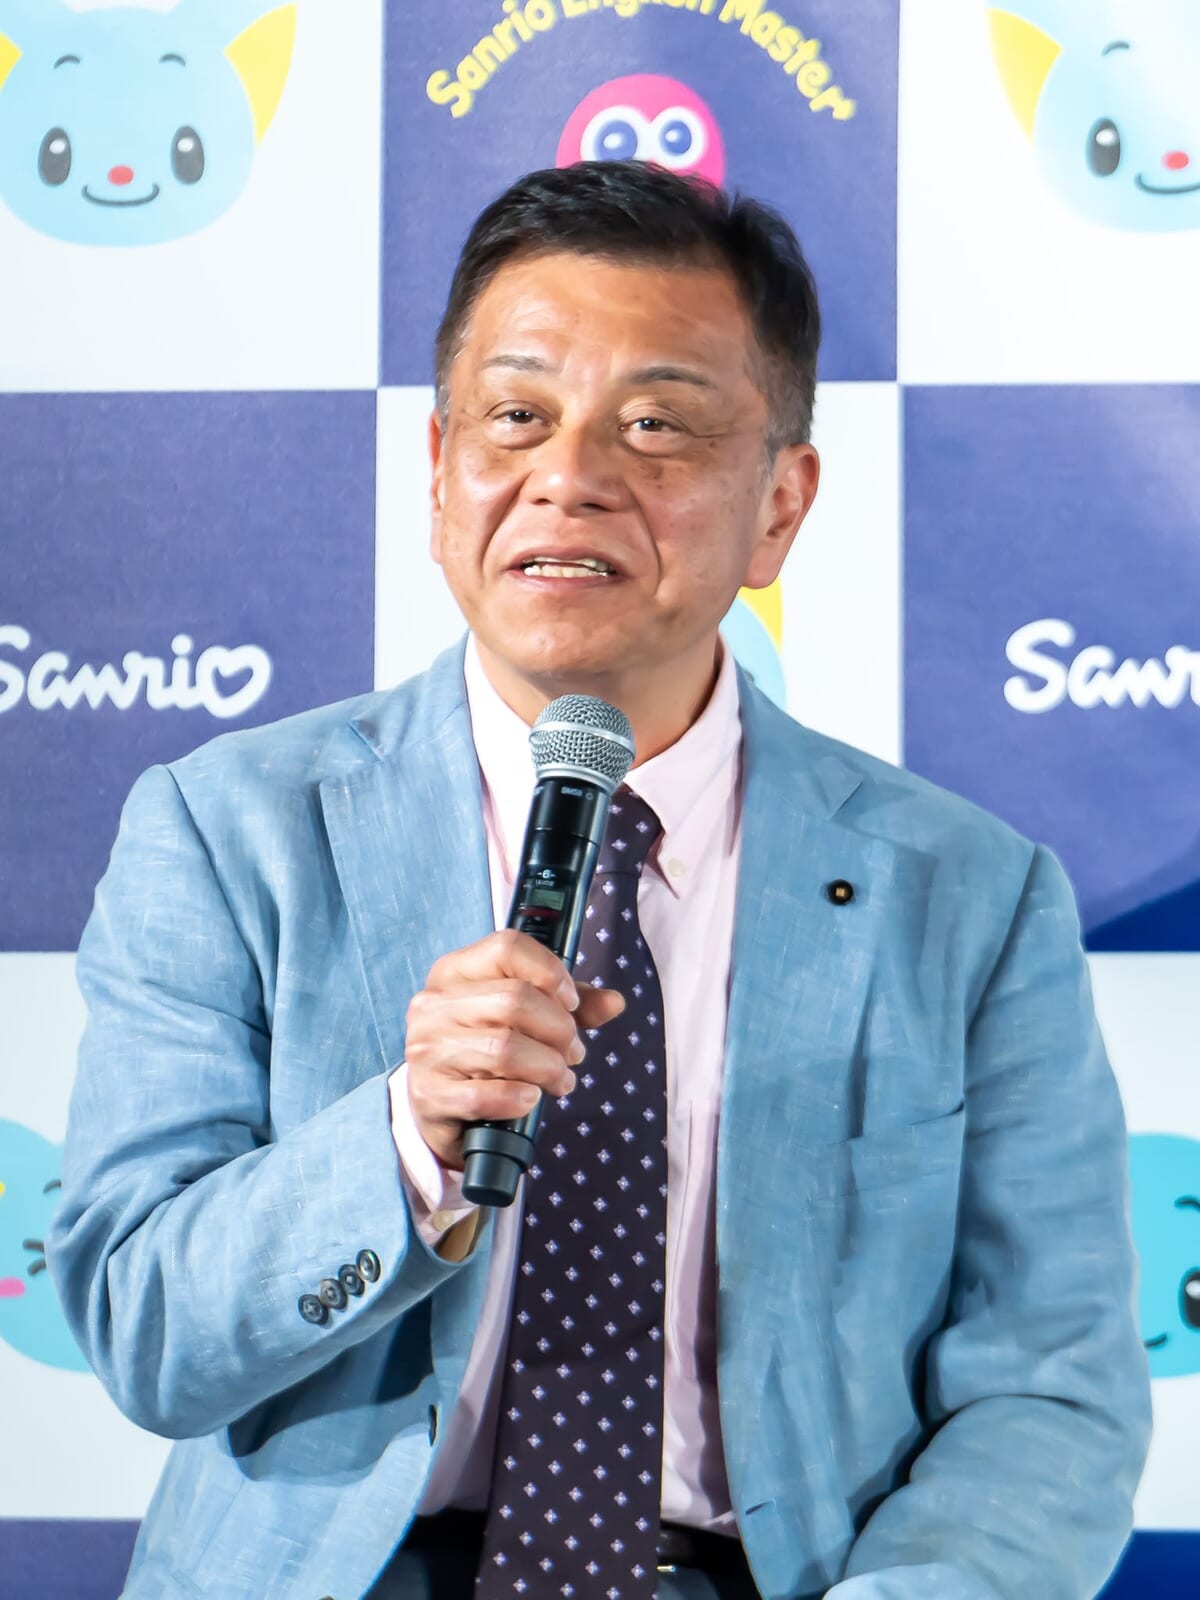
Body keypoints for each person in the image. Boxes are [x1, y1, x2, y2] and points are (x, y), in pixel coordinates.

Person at [47, 161, 1152, 1600]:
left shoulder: (972, 898)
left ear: (780, 505)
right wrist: (407, 1140)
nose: (568, 476)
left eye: (655, 424)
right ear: (438, 470)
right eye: (516, 417)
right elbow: (143, 1329)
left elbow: (1051, 1386)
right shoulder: (227, 828)